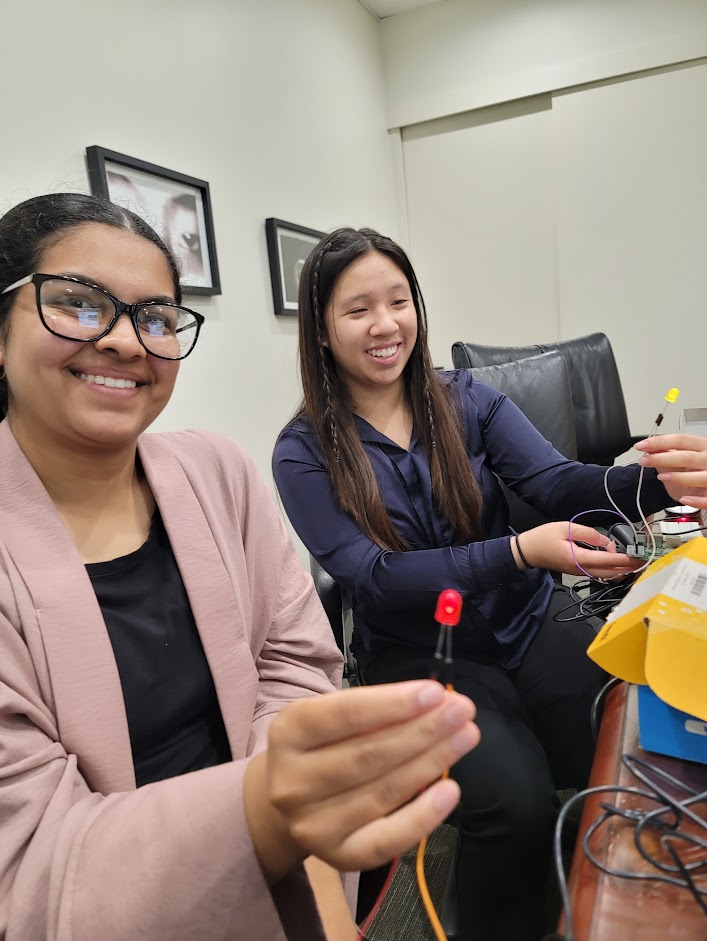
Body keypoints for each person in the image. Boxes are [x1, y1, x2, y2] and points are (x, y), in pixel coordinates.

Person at [0, 196, 481, 941]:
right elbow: (30, 864)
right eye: (78, 304)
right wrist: (262, 808)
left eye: (155, 317)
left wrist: (302, 851)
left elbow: (294, 661)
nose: (126, 341)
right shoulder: (306, 446)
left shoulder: (217, 472)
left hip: (287, 876)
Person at [272, 227, 706, 941]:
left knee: (630, 748)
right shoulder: (302, 453)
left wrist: (663, 482)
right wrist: (518, 552)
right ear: (320, 331)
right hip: (422, 653)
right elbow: (373, 576)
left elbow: (557, 483)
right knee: (516, 804)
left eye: (398, 301)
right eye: (357, 309)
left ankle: (601, 900)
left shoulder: (466, 398)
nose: (385, 324)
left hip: (525, 619)